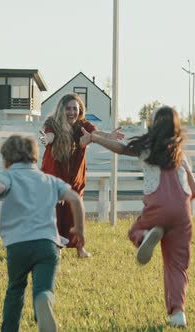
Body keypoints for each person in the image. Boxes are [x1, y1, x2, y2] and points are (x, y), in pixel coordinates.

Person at [0, 135, 85, 332]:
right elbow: (75, 198)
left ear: (6, 159)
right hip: (48, 245)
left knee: (15, 289)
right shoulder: (48, 179)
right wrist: (79, 230)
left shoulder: (8, 176)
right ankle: (43, 301)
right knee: (43, 289)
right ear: (35, 157)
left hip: (18, 246)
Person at [81, 106, 195, 328]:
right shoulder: (181, 154)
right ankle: (177, 313)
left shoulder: (147, 148)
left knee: (135, 230)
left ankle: (144, 236)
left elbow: (120, 148)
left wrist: (95, 138)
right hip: (182, 212)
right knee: (176, 266)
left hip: (157, 206)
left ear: (154, 125)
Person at [39, 93, 123, 258]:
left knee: (74, 212)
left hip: (75, 176)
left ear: (80, 110)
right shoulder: (52, 124)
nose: (72, 112)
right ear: (61, 110)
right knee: (54, 211)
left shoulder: (83, 125)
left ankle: (79, 248)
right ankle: (54, 246)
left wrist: (109, 137)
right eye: (68, 108)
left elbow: (97, 134)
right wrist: (46, 139)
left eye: (75, 109)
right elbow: (48, 136)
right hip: (54, 175)